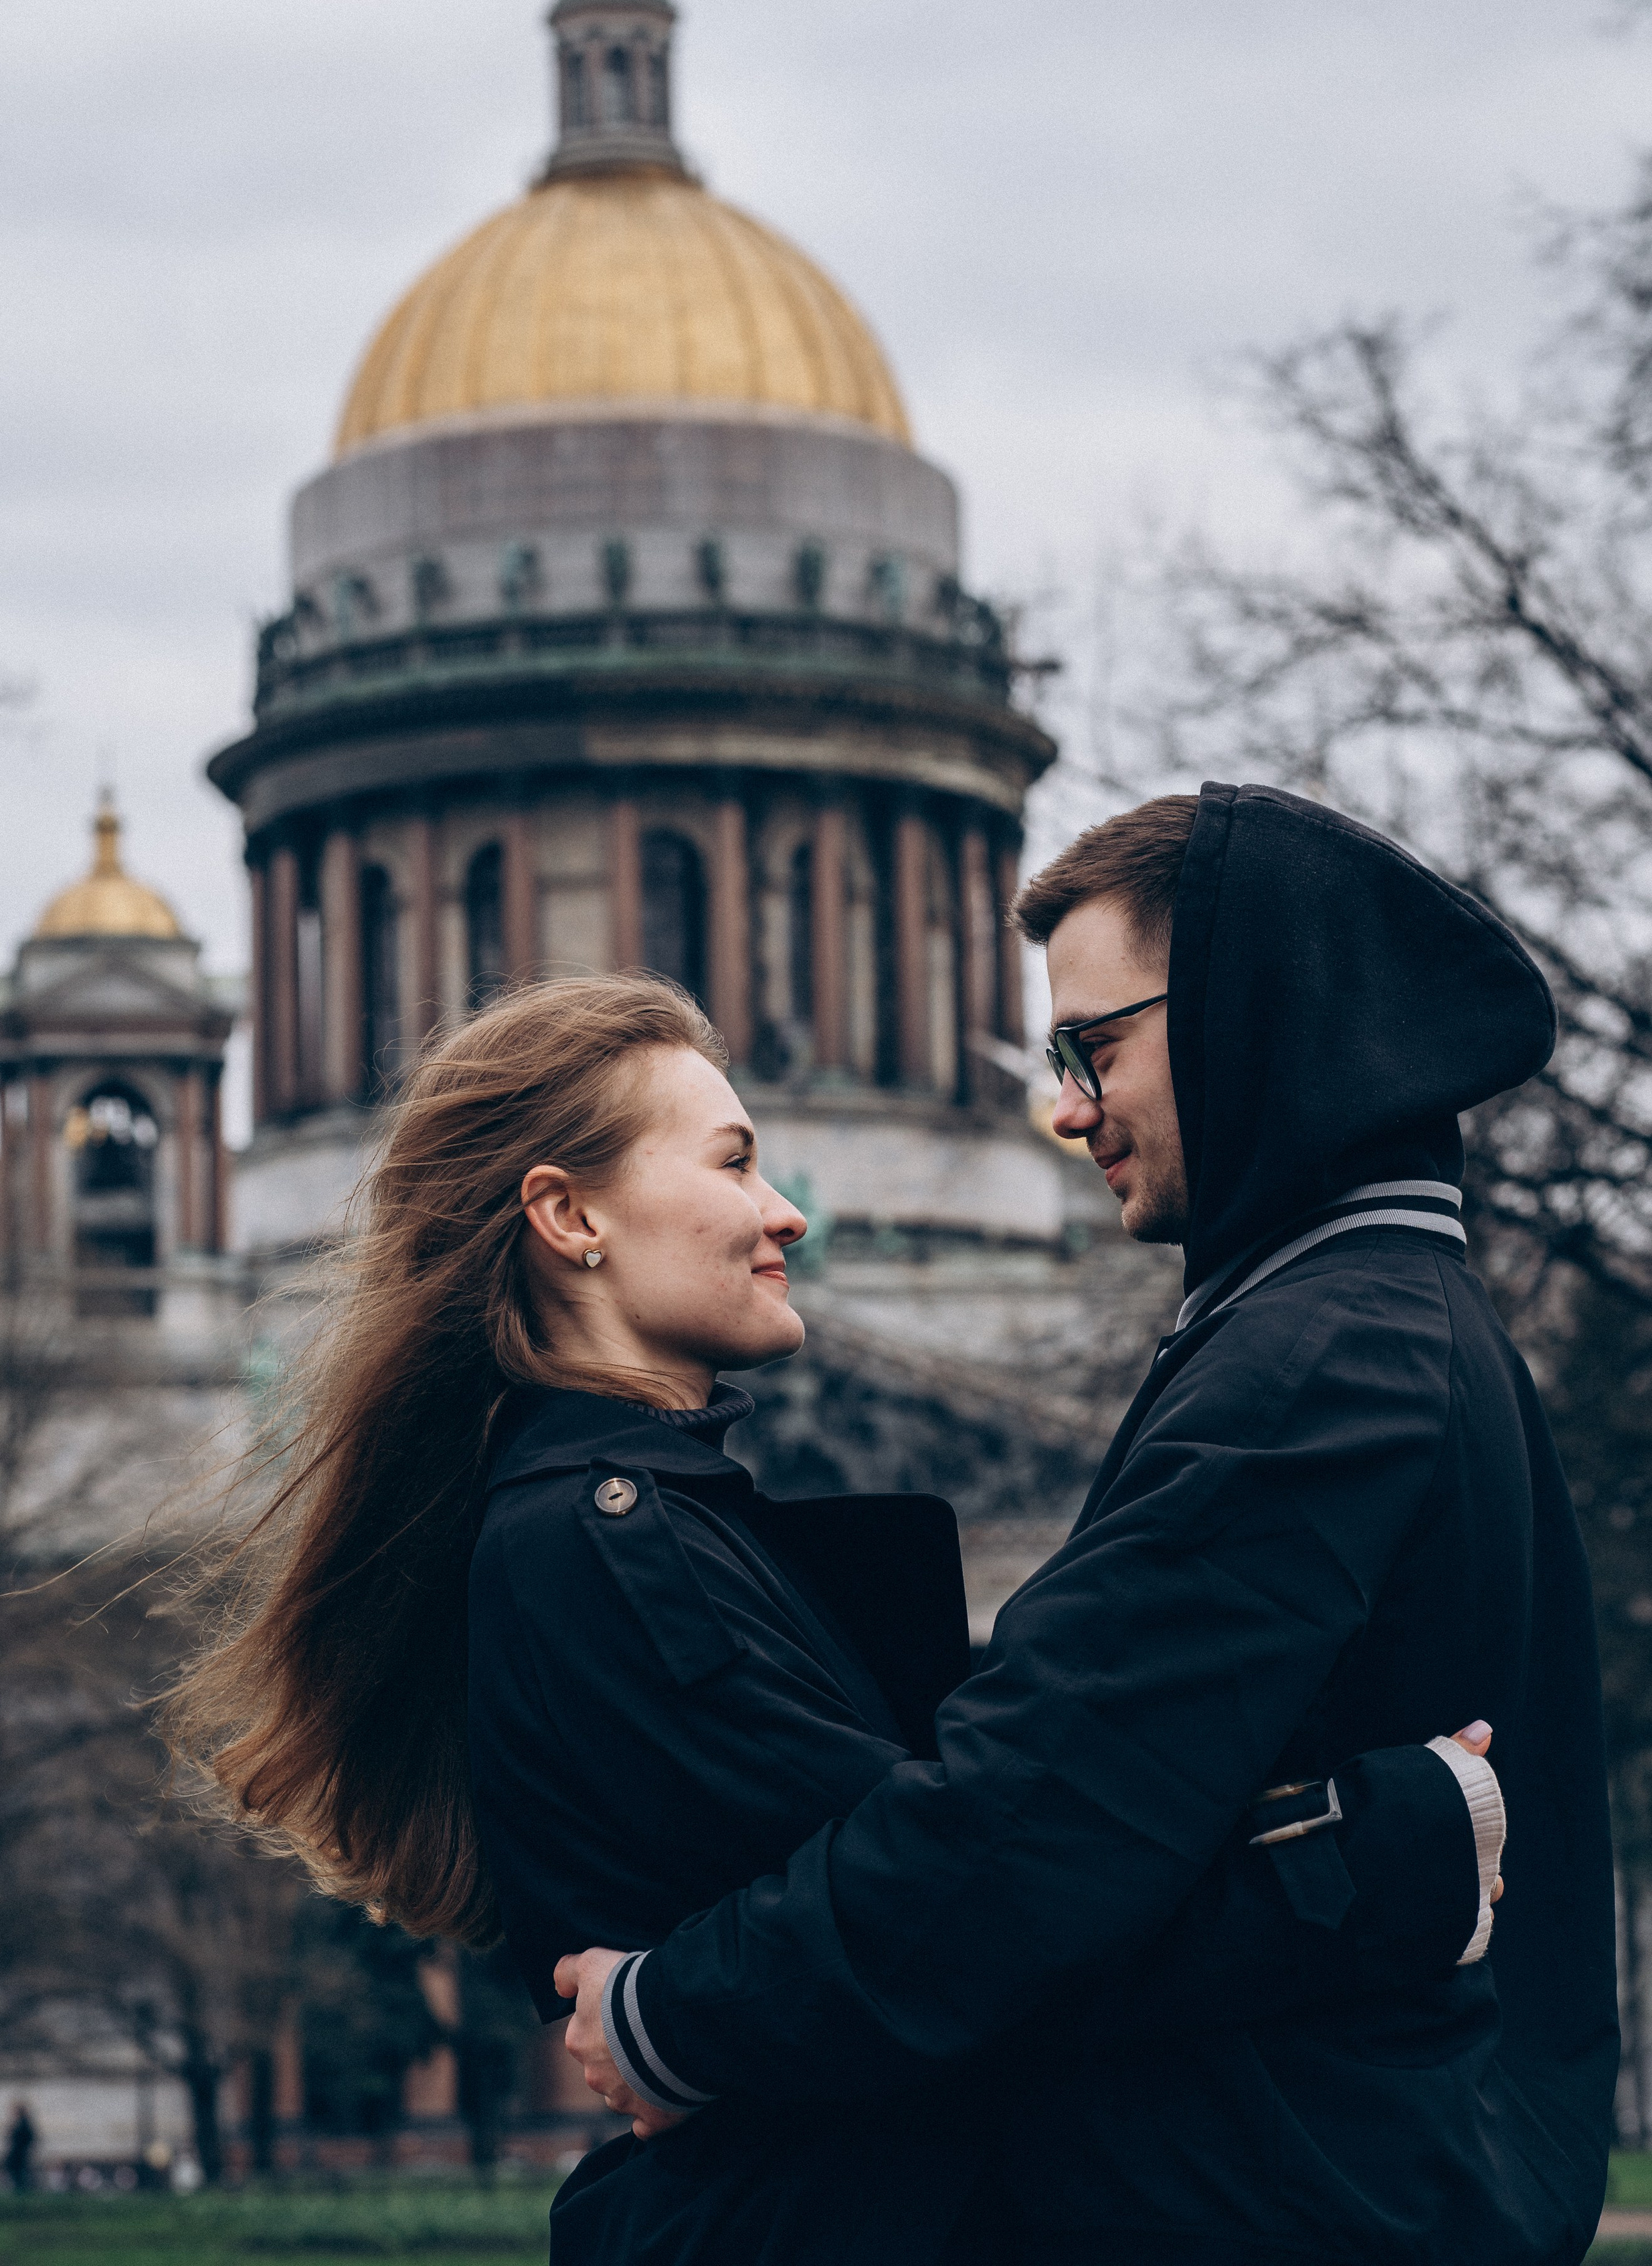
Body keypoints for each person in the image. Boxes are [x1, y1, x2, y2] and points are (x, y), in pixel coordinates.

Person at [163, 967, 1499, 2265]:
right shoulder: (604, 1540)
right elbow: (963, 1923)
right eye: (734, 1163)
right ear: (569, 1218)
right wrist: (1379, 1859)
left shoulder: (628, 1519)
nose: (789, 1213)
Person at [561, 787, 1619, 2266]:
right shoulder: (1367, 1324)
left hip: (1297, 2198)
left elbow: (1030, 1827)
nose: (1063, 1111)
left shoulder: (1313, 1366)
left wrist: (673, 2015)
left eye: (1092, 1048)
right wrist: (1376, 1846)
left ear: (1257, 1018)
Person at [2, 2103, 37, 2194]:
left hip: (19, 2152)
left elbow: (29, 2138)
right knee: (17, 2171)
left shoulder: (24, 2123)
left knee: (19, 2171)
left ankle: (22, 2189)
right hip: (18, 2152)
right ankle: (20, 2189)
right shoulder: (20, 2123)